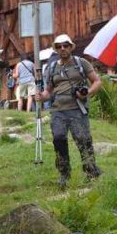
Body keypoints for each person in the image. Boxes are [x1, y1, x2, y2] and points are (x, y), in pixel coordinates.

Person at [36, 34, 102, 188]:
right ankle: (64, 175)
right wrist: (42, 97)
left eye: (65, 45)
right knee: (58, 140)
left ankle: (91, 172)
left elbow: (97, 81)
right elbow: (48, 91)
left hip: (77, 109)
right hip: (58, 110)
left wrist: (87, 93)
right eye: (59, 46)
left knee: (83, 141)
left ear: (71, 47)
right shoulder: (52, 67)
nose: (62, 48)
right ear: (56, 49)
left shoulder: (81, 63)